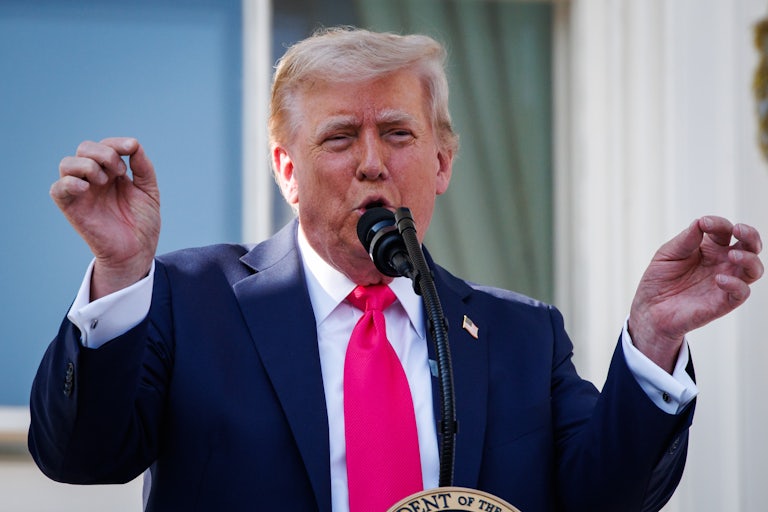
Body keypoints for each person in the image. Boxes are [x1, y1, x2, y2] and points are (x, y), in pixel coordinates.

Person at [29, 27, 763, 512]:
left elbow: (608, 497)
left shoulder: (521, 337)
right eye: (341, 136)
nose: (373, 162)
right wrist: (122, 272)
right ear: (288, 169)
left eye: (399, 134)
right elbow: (82, 457)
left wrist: (654, 338)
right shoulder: (191, 302)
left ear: (442, 163)